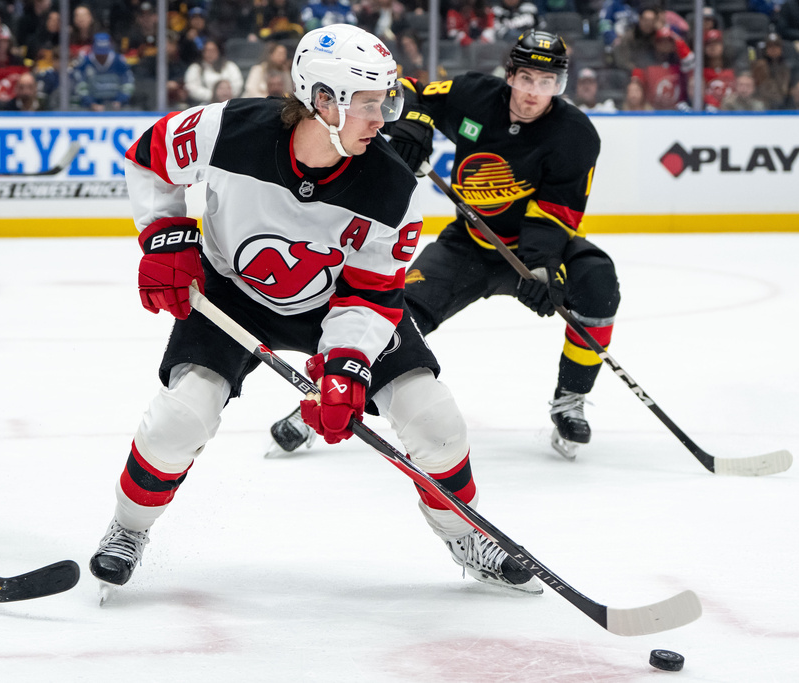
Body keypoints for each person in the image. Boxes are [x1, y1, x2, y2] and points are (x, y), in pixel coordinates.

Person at [89, 24, 541, 596]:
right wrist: (166, 236)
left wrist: (348, 363)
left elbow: (372, 291)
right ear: (322, 99)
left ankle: (467, 534)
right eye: (368, 104)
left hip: (336, 304)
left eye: (386, 102)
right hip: (233, 292)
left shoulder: (391, 186)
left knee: (434, 419)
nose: (383, 119)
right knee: (182, 415)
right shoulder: (227, 129)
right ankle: (127, 530)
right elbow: (151, 157)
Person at [271, 30, 619, 460]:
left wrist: (543, 267)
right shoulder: (474, 94)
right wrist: (416, 123)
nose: (534, 93)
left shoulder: (575, 135)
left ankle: (570, 400)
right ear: (510, 74)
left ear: (559, 86)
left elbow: (553, 213)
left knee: (597, 282)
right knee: (394, 312)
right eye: (526, 78)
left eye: (546, 83)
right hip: (468, 246)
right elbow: (408, 91)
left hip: (535, 249)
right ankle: (329, 399)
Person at [73, 32, 134, 110]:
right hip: (89, 108)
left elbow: (128, 83)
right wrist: (91, 103)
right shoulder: (85, 63)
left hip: (118, 106)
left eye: (104, 54)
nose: (101, 56)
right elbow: (80, 85)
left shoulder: (119, 61)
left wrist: (120, 100)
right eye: (99, 53)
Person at [184, 39, 244, 105]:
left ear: (218, 51)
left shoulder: (230, 66)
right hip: (203, 104)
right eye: (207, 50)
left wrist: (225, 94)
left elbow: (238, 84)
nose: (210, 53)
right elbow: (191, 88)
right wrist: (214, 96)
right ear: (203, 52)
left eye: (213, 50)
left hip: (229, 103)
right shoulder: (195, 68)